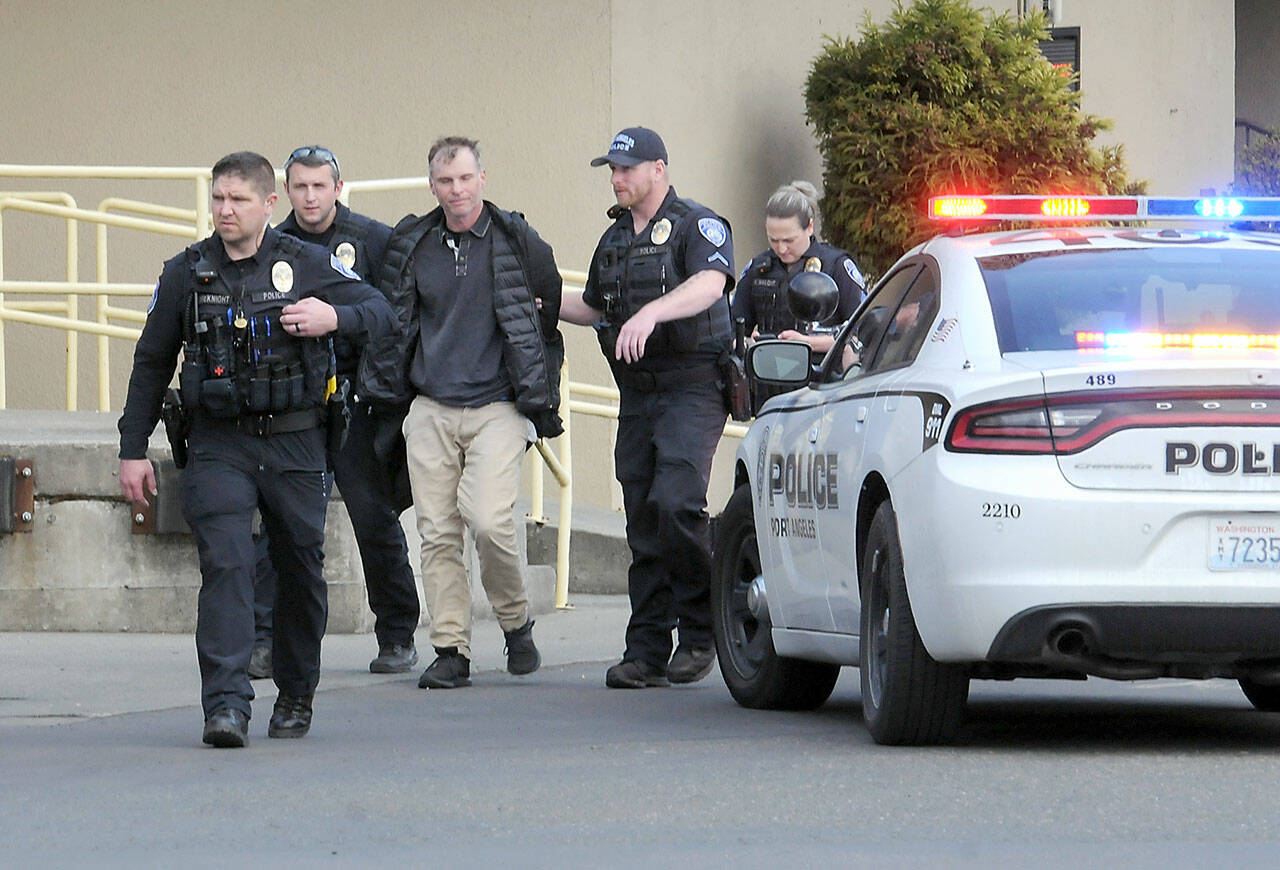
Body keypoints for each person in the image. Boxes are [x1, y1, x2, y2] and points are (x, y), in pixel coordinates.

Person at [117, 151, 394, 748]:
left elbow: (381, 311)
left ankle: (295, 693)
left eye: (238, 200)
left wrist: (333, 317)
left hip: (296, 440)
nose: (224, 210)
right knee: (225, 563)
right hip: (219, 441)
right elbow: (151, 362)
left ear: (270, 204)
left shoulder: (307, 263)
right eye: (217, 198)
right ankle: (226, 704)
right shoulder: (186, 273)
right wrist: (132, 447)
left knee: (298, 566)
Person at [358, 136, 564, 689]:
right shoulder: (413, 242)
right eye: (446, 181)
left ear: (483, 178)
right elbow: (394, 320)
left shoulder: (517, 239)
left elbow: (544, 315)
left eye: (465, 179)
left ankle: (515, 622)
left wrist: (541, 394)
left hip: (498, 405)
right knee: (437, 532)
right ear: (432, 185)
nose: (457, 190)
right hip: (429, 407)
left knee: (491, 520)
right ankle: (451, 648)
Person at [559, 127, 735, 689]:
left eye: (628, 168)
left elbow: (711, 284)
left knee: (677, 502)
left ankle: (704, 630)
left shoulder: (695, 224)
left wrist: (652, 313)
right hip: (638, 394)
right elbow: (590, 306)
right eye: (612, 169)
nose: (618, 178)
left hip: (692, 386)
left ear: (658, 168)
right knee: (642, 514)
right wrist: (528, 295)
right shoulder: (613, 239)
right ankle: (647, 649)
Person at [248, 145, 420, 681]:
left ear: (338, 188)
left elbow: (394, 316)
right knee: (280, 525)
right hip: (294, 403)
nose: (310, 196)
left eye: (320, 186)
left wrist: (336, 319)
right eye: (300, 186)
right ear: (285, 191)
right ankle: (266, 640)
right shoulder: (272, 244)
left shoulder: (371, 239)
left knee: (373, 518)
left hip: (356, 400)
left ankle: (396, 633)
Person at [731, 180, 865, 356]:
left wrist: (809, 343)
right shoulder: (758, 267)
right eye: (773, 240)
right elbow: (733, 328)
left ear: (809, 227)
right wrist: (745, 342)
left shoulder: (836, 265)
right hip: (768, 372)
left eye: (789, 240)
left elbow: (864, 331)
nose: (781, 249)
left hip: (823, 375)